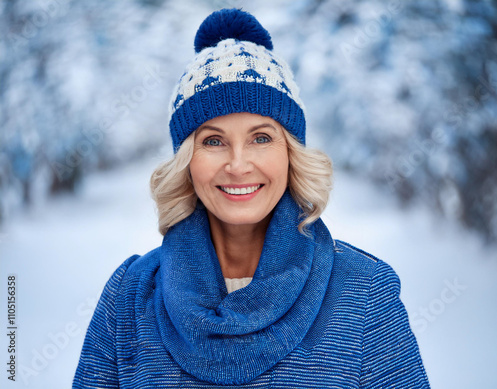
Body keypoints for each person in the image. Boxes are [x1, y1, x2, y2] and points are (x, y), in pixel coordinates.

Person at [73, 8, 430, 388]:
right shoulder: (130, 297)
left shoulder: (363, 295)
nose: (238, 165)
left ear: (290, 153)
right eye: (213, 141)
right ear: (186, 160)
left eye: (261, 138)